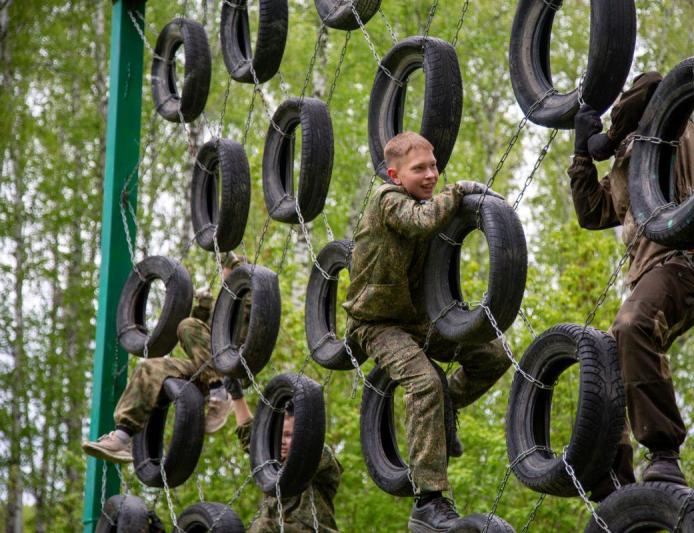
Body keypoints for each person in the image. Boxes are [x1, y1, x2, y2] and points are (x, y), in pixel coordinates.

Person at [568, 72, 694, 499]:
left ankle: (663, 451)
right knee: (611, 358)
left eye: (624, 101)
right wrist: (582, 152)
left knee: (633, 326)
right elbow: (592, 211)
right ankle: (616, 484)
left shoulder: (670, 127)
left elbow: (655, 83)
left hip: (689, 259)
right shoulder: (628, 161)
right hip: (649, 274)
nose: (621, 104)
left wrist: (611, 132)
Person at [343, 131, 512, 532]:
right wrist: (461, 190)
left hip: (419, 320)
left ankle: (445, 408)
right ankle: (428, 501)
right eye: (420, 168)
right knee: (423, 382)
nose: (432, 174)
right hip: (377, 323)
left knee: (493, 355)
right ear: (394, 174)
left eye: (434, 166)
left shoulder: (428, 201)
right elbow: (419, 223)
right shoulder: (387, 201)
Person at [82, 253, 247, 463]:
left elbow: (248, 308)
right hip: (207, 367)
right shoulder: (222, 305)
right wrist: (204, 307)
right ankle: (122, 438)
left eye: (229, 275)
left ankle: (221, 391)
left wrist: (234, 262)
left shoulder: (251, 296)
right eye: (224, 275)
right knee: (149, 367)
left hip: (234, 366)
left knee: (187, 326)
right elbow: (197, 340)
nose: (224, 280)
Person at [225, 378, 342, 533]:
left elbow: (309, 451)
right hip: (278, 528)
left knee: (263, 527)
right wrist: (237, 396)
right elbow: (251, 437)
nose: (282, 442)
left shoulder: (321, 458)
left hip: (312, 530)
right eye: (278, 435)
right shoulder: (271, 467)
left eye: (288, 435)